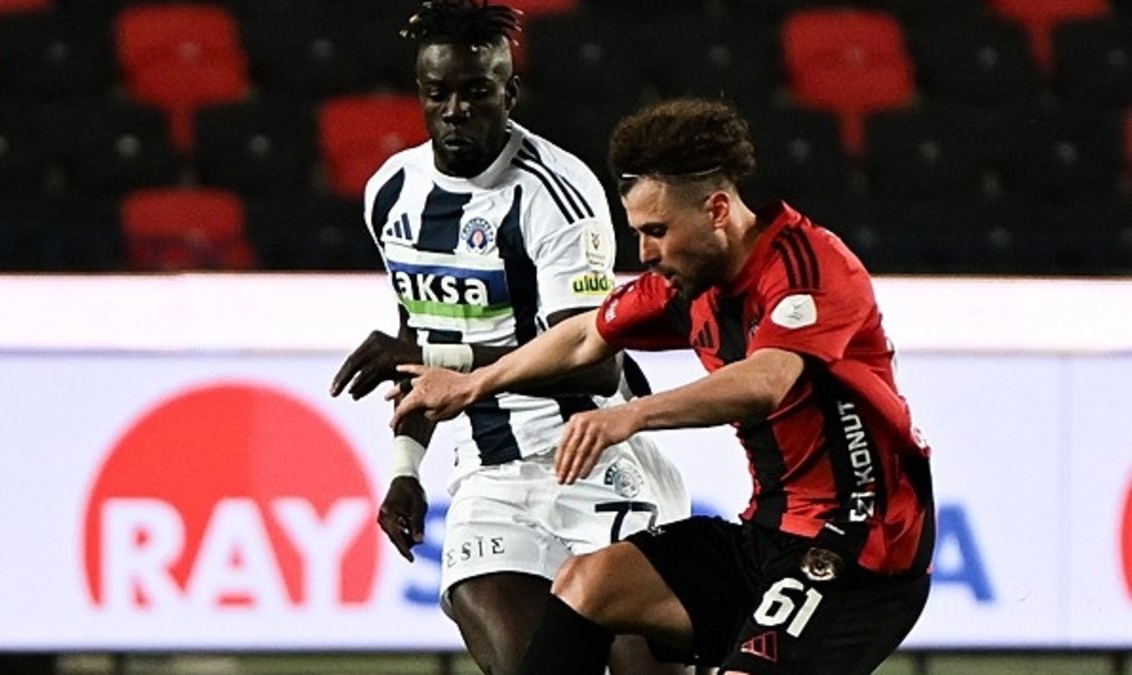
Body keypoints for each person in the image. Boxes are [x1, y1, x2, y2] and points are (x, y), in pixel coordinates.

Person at [390, 98, 936, 675]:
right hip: (767, 533)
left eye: (656, 231)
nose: (645, 253)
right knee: (589, 583)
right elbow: (586, 336)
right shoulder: (688, 283)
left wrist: (631, 414)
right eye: (638, 233)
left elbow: (765, 381)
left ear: (716, 210)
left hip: (860, 548)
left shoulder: (808, 268)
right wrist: (473, 384)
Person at [328, 3, 690, 674]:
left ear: (509, 93)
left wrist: (432, 358)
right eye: (438, 93)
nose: (455, 110)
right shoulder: (392, 193)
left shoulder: (556, 193)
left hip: (591, 457)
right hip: (489, 474)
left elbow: (593, 361)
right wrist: (406, 470)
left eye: (476, 91)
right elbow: (421, 334)